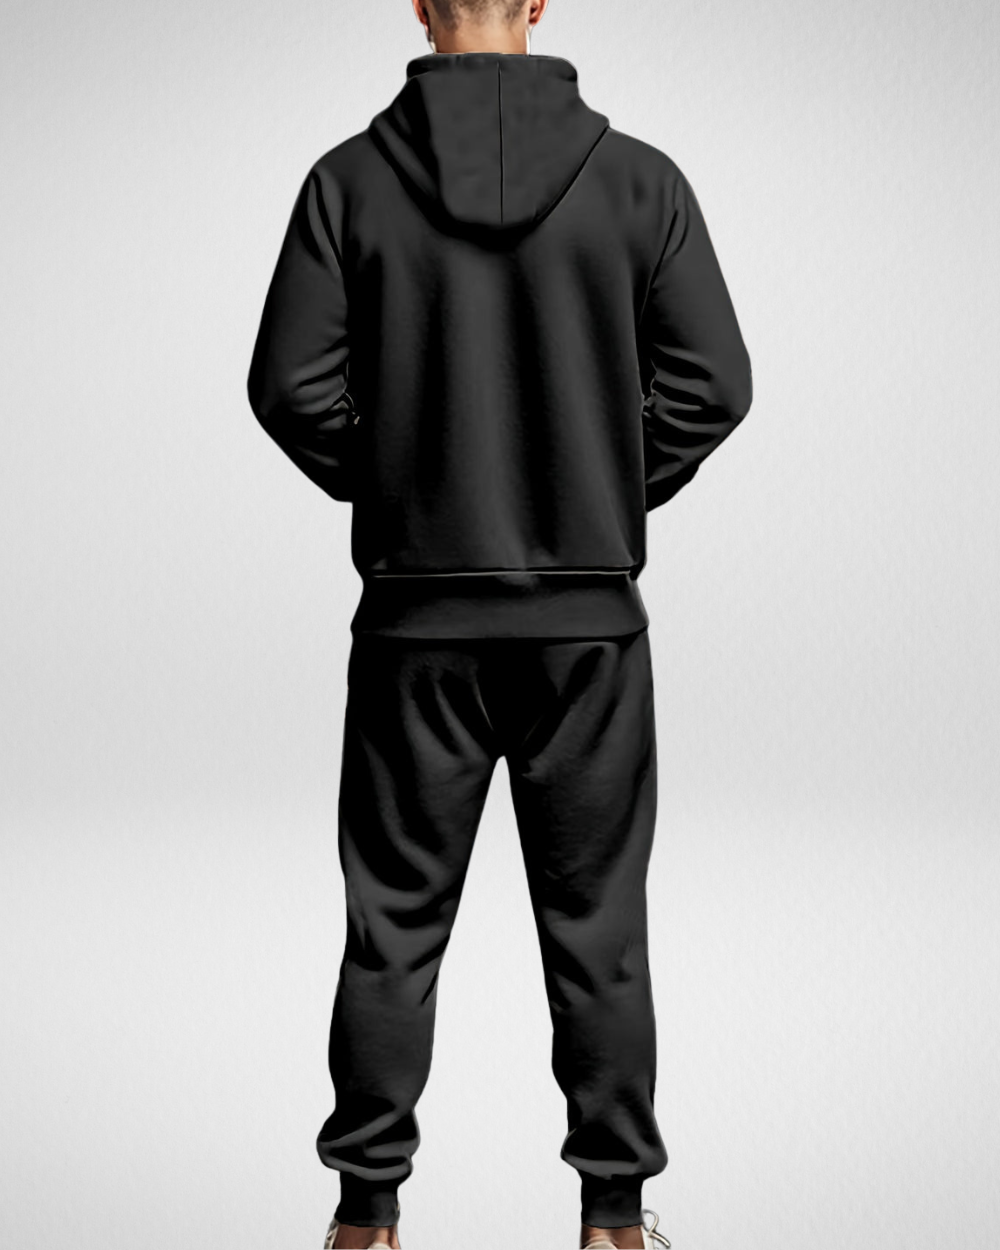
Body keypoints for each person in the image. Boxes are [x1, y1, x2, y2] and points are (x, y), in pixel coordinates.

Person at [246, 0, 752, 1245]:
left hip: (414, 627)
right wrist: (593, 492)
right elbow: (715, 383)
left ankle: (364, 1221)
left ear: (421, 4)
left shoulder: (347, 182)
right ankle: (614, 1222)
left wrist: (410, 488)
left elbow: (289, 385)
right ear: (538, 3)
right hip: (587, 631)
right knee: (597, 929)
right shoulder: (639, 182)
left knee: (391, 927)